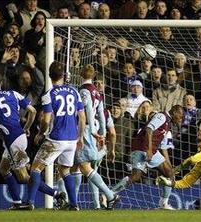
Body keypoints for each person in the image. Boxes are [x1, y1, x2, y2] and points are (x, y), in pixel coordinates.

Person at [0, 70, 64, 210]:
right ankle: (17, 202)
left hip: (12, 140)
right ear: (1, 83)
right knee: (3, 169)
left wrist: (3, 135)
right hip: (20, 136)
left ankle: (57, 194)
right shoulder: (13, 93)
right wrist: (27, 128)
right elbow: (33, 111)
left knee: (23, 176)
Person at [21, 61, 85, 210]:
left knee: (36, 168)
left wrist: (41, 133)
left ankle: (29, 202)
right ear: (63, 75)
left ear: (49, 76)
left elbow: (46, 120)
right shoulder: (74, 91)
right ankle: (74, 204)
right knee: (64, 170)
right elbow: (82, 117)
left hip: (57, 138)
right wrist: (80, 137)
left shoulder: (48, 94)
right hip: (72, 139)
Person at [111, 105, 184, 209]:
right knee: (136, 176)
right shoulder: (161, 116)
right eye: (180, 116)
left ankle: (163, 204)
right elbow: (149, 129)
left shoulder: (168, 124)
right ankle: (109, 194)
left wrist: (169, 164)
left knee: (170, 173)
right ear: (175, 112)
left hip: (153, 151)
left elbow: (163, 147)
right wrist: (149, 150)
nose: (181, 119)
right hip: (141, 148)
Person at [73, 64, 119, 210]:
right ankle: (72, 202)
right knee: (74, 166)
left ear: (80, 74)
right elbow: (101, 114)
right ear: (93, 76)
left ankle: (110, 195)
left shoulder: (84, 91)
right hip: (92, 131)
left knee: (83, 166)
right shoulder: (97, 93)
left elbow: (86, 111)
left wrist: (93, 131)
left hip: (85, 130)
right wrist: (103, 134)